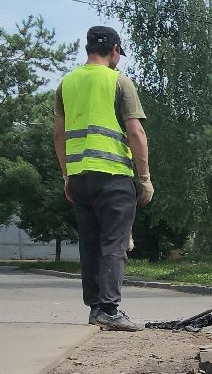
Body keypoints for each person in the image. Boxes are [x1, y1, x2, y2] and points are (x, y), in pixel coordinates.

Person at [53, 25, 154, 331]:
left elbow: (59, 135)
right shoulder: (118, 81)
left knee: (90, 243)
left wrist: (66, 176)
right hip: (113, 176)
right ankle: (109, 309)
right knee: (115, 241)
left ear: (87, 49)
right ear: (114, 51)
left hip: (80, 177)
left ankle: (96, 306)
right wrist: (145, 176)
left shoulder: (66, 84)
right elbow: (135, 132)